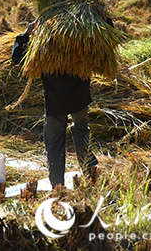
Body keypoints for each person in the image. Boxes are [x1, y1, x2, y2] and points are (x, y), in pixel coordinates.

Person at [12, 20, 100, 187]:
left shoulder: (43, 40)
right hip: (79, 97)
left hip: (55, 100)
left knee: (54, 142)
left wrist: (26, 34)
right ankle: (91, 175)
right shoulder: (81, 31)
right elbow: (108, 41)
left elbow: (17, 58)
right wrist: (104, 19)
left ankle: (58, 186)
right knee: (81, 131)